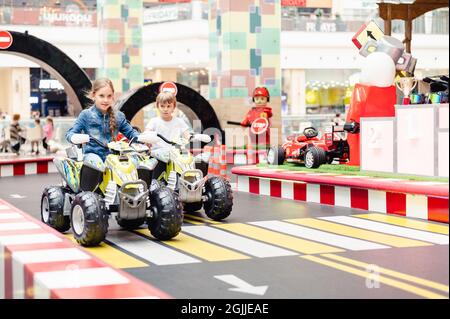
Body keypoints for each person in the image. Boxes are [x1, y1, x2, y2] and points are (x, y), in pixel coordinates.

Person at [65, 78, 140, 163]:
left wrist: (142, 138)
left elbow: (131, 133)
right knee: (95, 161)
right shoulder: (86, 115)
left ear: (113, 96)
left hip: (114, 158)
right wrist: (74, 137)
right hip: (92, 157)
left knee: (134, 161)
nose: (105, 100)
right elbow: (70, 134)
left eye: (109, 96)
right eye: (101, 96)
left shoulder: (119, 116)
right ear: (93, 95)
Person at [145, 91, 191, 180]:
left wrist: (190, 137)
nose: (165, 109)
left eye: (168, 106)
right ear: (157, 106)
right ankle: (155, 186)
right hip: (158, 155)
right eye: (162, 106)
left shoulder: (179, 121)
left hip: (175, 154)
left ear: (174, 107)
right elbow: (147, 132)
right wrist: (147, 137)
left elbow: (187, 135)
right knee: (157, 176)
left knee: (186, 164)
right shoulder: (154, 121)